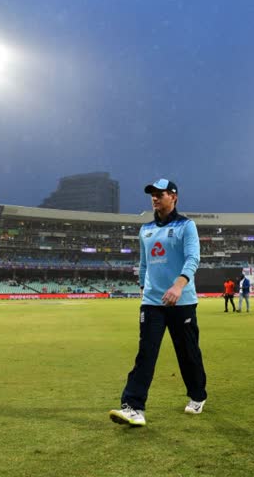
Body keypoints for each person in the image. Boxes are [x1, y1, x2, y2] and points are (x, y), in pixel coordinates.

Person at [109, 179, 207, 427]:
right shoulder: (146, 230)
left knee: (188, 353)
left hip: (182, 301)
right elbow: (143, 264)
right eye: (152, 194)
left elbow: (193, 258)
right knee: (146, 354)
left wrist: (178, 285)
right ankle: (133, 406)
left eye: (159, 194)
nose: (154, 198)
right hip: (152, 303)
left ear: (173, 197)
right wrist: (144, 288)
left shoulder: (187, 226)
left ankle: (197, 395)